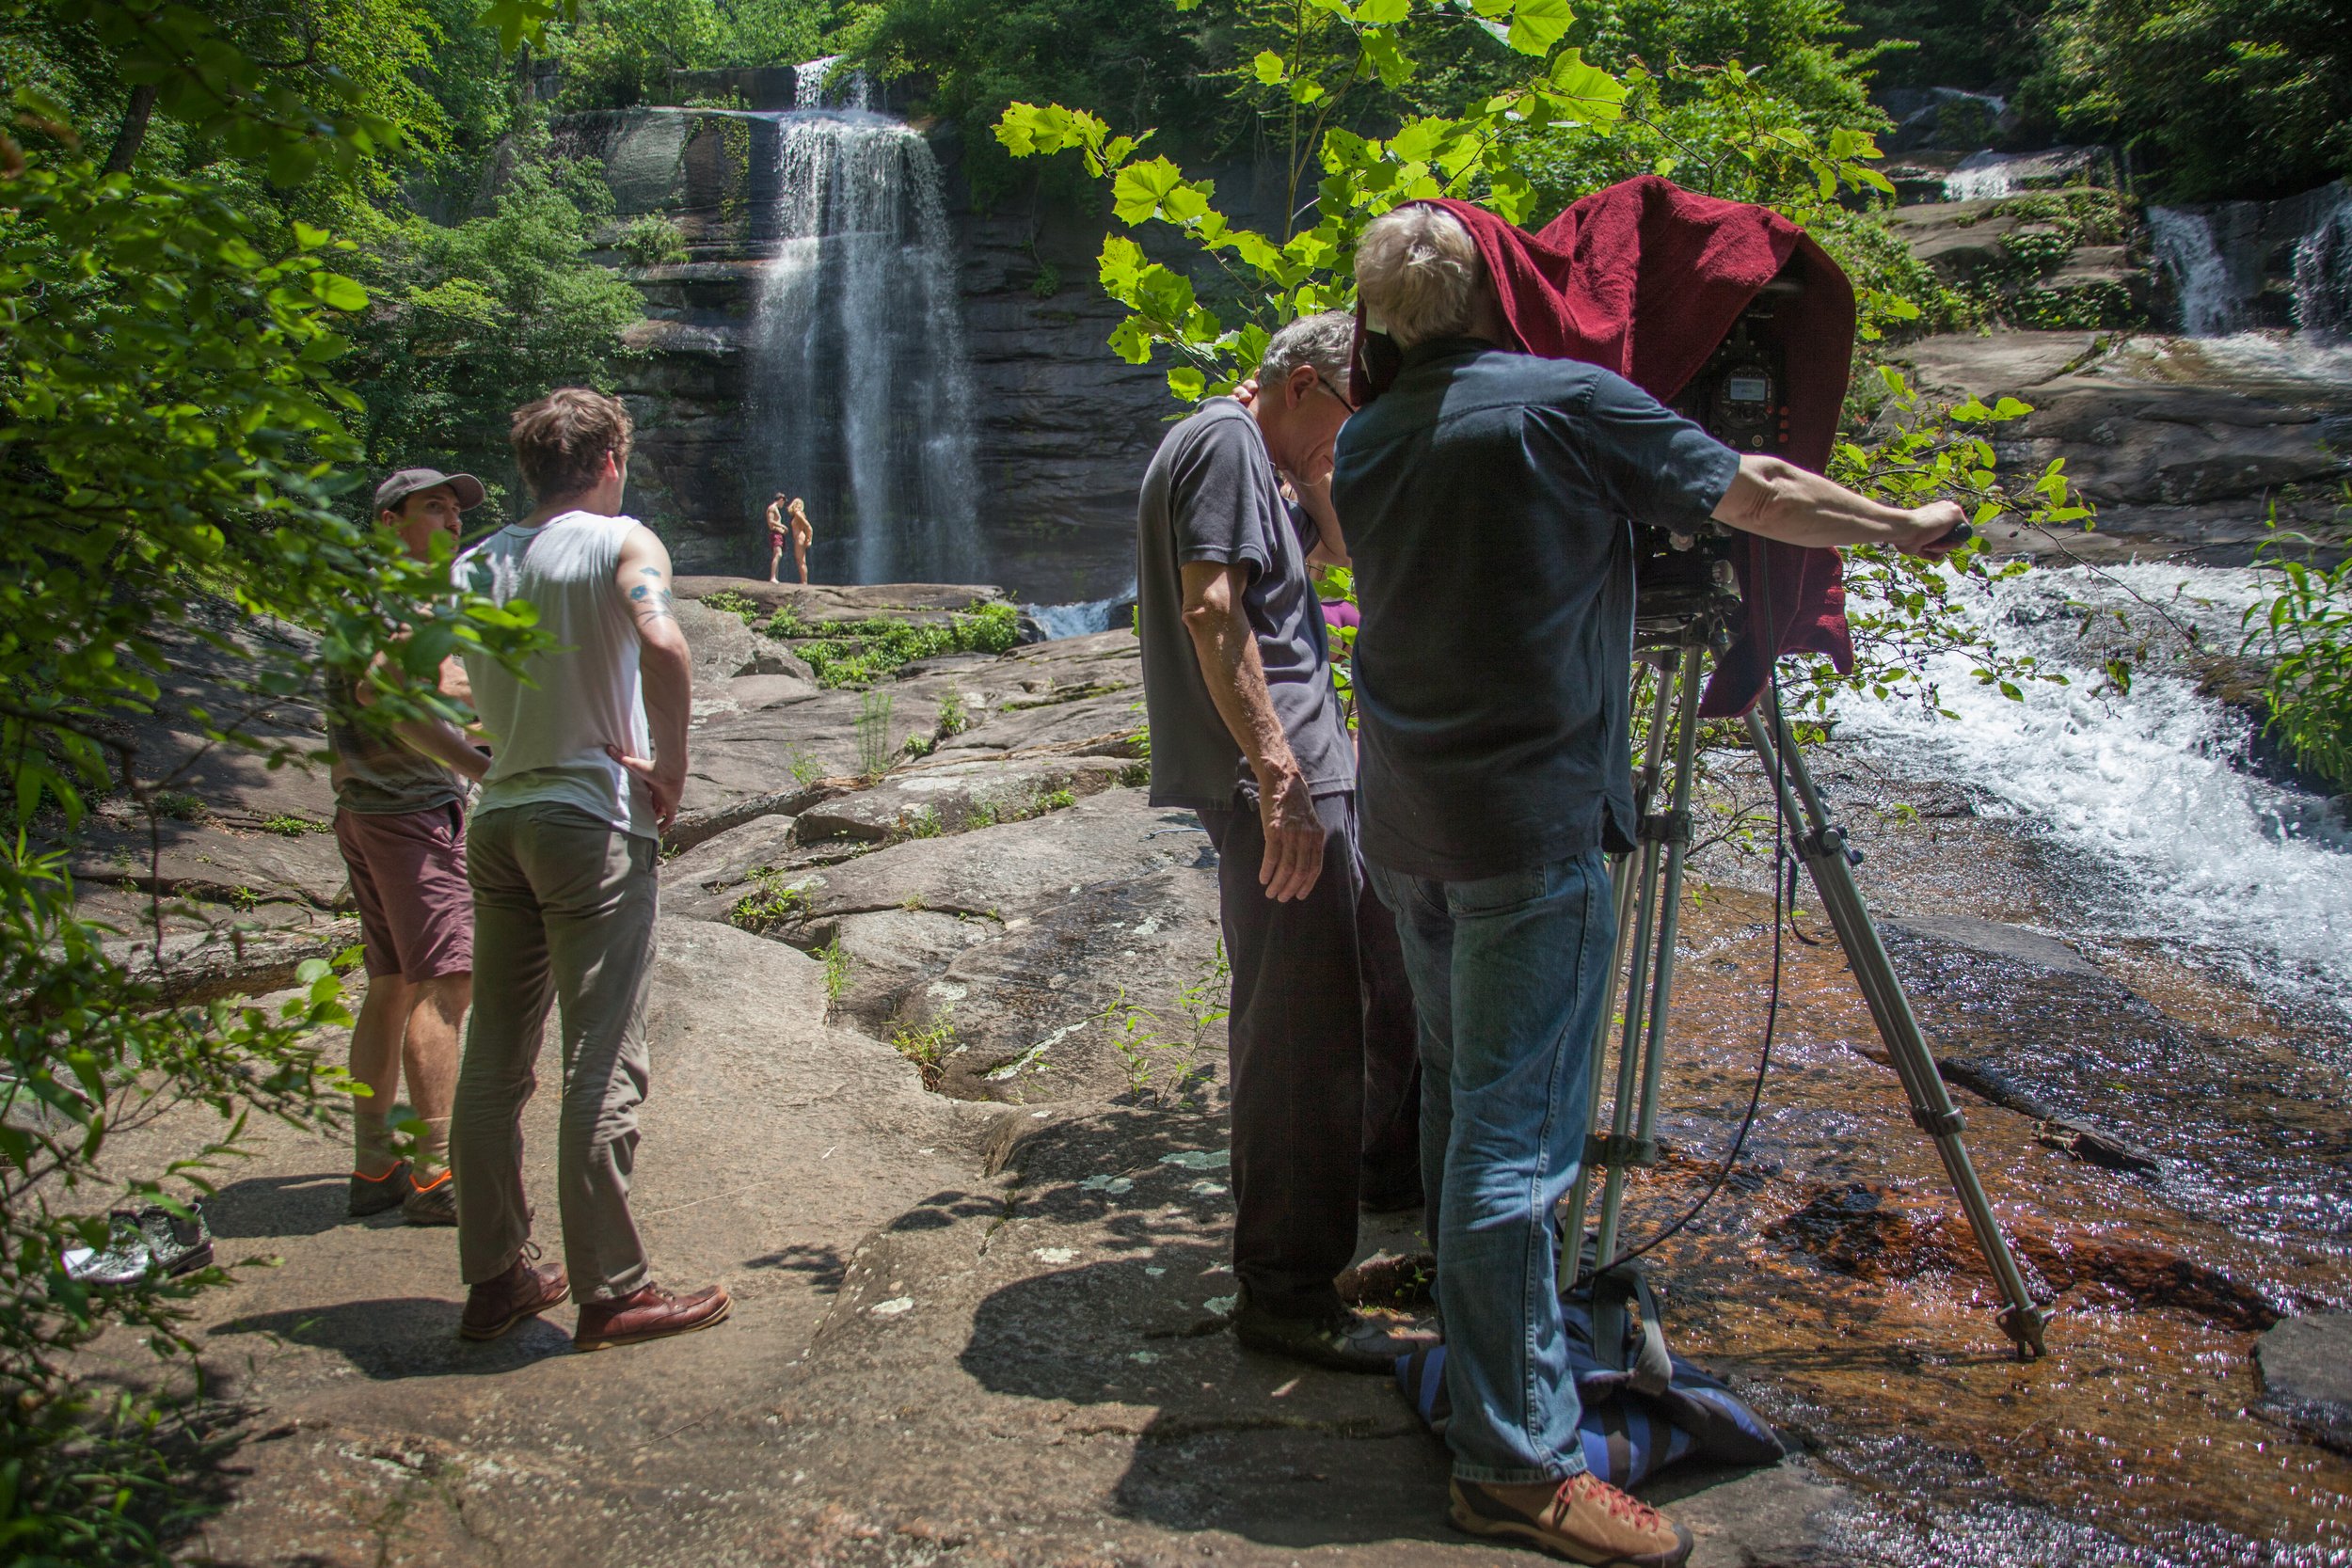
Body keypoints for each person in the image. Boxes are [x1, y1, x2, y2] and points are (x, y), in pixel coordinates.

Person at [1334, 203, 1966, 1568]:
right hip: (1526, 825)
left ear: (1378, 318)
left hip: (1410, 821)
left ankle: (1486, 1356)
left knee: (1461, 1106)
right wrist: (1907, 527)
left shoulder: (1365, 433)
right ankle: (1514, 1463)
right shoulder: (1565, 401)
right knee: (1519, 1141)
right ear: (1501, 285)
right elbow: (1761, 491)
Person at [1135, 312, 1418, 1372]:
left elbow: (1340, 547)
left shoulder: (1260, 458)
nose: (1354, 439)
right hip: (1284, 781)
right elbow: (1212, 610)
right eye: (1349, 411)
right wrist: (1277, 772)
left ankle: (1382, 1190)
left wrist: (1327, 453)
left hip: (1308, 775)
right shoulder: (1222, 443)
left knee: (1377, 987)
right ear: (1300, 382)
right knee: (1301, 1034)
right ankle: (1287, 1293)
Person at [448, 388, 728, 1352]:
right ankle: (612, 1291)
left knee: (492, 1057)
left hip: (501, 820)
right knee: (599, 1055)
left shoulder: (474, 560)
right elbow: (662, 641)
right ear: (609, 460)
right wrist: (673, 768)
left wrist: (478, 765)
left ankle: (494, 1277)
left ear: (528, 467)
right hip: (589, 825)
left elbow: (403, 690)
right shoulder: (621, 542)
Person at [329, 468, 496, 1227]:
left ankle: (375, 1163)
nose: (454, 520)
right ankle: (435, 1171)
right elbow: (383, 692)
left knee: (392, 983)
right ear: (390, 519)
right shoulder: (403, 594)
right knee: (447, 984)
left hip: (366, 807)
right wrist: (479, 762)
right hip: (409, 813)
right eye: (435, 507)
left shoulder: (368, 593)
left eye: (457, 510)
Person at [787, 496, 813, 585]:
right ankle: (803, 581)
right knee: (800, 560)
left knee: (801, 560)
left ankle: (804, 582)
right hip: (799, 537)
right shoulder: (800, 513)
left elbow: (808, 526)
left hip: (800, 537)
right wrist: (808, 538)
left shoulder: (798, 513)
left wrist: (809, 539)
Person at [765, 494, 788, 583]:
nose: (783, 504)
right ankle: (772, 577)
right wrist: (783, 526)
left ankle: (775, 578)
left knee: (776, 555)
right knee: (778, 554)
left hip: (778, 534)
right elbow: (770, 522)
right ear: (781, 499)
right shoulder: (772, 508)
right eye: (783, 502)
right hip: (775, 534)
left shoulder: (776, 509)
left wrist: (782, 530)